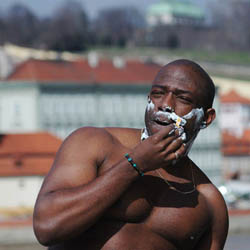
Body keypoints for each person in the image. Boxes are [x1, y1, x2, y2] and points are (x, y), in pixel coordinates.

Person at [33, 59, 229, 250]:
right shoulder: (95, 142)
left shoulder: (209, 202)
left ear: (207, 117)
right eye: (157, 94)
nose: (165, 105)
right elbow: (47, 227)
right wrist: (135, 164)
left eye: (183, 98)